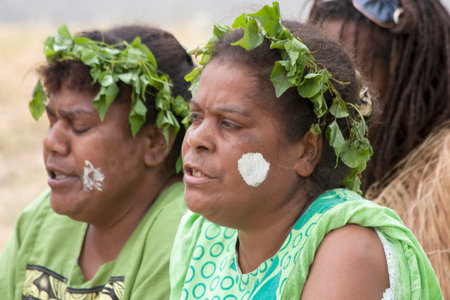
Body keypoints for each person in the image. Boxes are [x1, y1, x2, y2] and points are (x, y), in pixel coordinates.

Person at [169, 3, 441, 299]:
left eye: (230, 124)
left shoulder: (348, 249)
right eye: (196, 117)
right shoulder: (201, 234)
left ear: (306, 152)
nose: (197, 138)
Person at [0, 24, 193, 299]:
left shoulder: (182, 237)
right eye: (52, 121)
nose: (51, 142)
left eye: (79, 126)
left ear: (155, 142)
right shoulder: (40, 220)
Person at [308, 0, 450, 296]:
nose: (333, 100)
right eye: (319, 79)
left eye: (352, 78)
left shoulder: (441, 185)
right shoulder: (310, 177)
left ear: (415, 75)